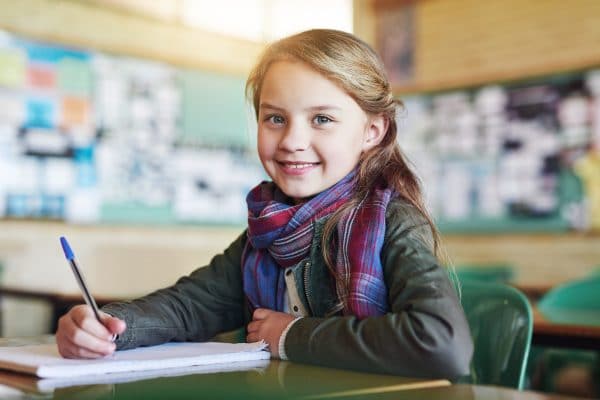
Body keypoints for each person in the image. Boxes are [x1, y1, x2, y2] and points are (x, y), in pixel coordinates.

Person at [56, 29, 473, 379]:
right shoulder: (269, 228)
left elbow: (441, 344)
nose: (292, 140)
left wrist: (291, 335)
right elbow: (191, 305)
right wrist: (106, 326)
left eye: (322, 119)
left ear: (372, 131)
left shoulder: (393, 221)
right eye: (275, 118)